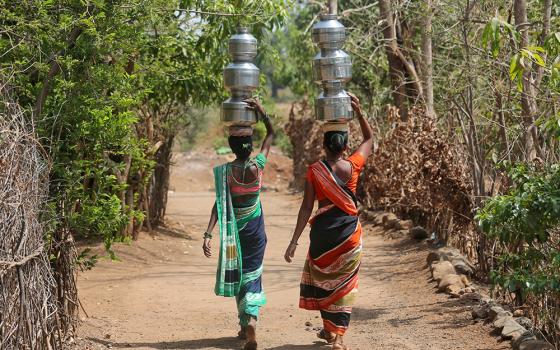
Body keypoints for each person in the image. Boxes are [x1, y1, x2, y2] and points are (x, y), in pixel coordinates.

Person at [284, 93, 373, 350]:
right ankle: (339, 336)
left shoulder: (315, 171)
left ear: (323, 146)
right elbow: (369, 139)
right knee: (346, 284)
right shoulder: (353, 166)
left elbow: (305, 208)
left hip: (322, 236)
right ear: (346, 147)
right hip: (348, 236)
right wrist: (358, 111)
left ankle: (330, 331)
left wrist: (294, 241)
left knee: (324, 281)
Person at [202, 98, 274, 350]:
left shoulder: (227, 172)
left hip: (234, 232)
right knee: (253, 274)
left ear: (231, 146)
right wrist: (261, 111)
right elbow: (272, 133)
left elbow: (219, 205)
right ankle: (251, 319)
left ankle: (245, 324)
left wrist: (208, 234)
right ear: (250, 146)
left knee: (239, 274)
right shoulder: (258, 167)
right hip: (255, 229)